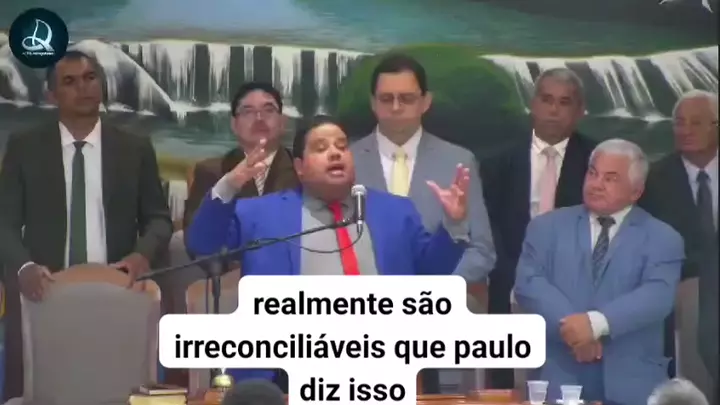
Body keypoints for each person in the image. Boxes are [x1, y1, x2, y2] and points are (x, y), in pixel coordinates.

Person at [186, 115, 471, 386]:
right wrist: (229, 186)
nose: (335, 153)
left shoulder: (396, 211)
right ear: (299, 167)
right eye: (321, 148)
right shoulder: (259, 213)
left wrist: (454, 224)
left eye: (342, 146)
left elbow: (432, 275)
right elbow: (202, 244)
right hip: (287, 372)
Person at [0, 50, 173, 400]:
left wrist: (141, 255)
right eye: (70, 81)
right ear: (52, 95)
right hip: (46, 291)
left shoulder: (134, 147)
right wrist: (24, 267)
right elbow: (5, 222)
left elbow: (158, 218)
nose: (84, 87)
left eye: (90, 78)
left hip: (117, 291)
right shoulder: (25, 147)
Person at [350, 53, 495, 393]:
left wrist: (433, 295)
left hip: (439, 313)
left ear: (425, 102)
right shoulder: (348, 161)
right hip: (362, 316)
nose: (396, 107)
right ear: (373, 103)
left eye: (406, 98)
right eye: (387, 98)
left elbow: (482, 250)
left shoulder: (458, 160)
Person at [514, 138, 684, 405]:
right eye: (592, 173)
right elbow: (529, 283)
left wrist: (596, 324)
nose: (596, 184)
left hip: (632, 384)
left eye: (610, 178)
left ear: (636, 191)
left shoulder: (663, 238)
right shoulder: (546, 228)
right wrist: (575, 330)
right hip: (560, 377)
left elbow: (657, 296)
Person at [480, 67, 596, 388]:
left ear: (579, 111)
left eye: (564, 102)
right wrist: (513, 272)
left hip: (576, 289)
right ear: (533, 104)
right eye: (546, 100)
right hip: (510, 281)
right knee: (510, 386)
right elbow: (488, 227)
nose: (553, 110)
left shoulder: (596, 163)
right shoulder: (497, 162)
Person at [640, 90, 718, 396]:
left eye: (696, 123)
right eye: (679, 123)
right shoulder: (654, 179)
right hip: (683, 287)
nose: (685, 130)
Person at [183, 82, 298, 230]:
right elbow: (194, 235)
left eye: (268, 110)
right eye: (248, 111)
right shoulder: (211, 172)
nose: (259, 118)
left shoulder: (302, 169)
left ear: (282, 122)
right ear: (234, 124)